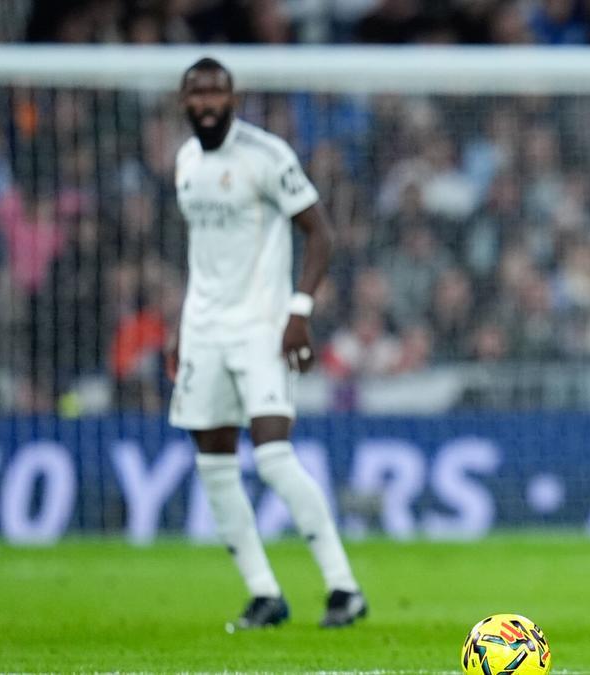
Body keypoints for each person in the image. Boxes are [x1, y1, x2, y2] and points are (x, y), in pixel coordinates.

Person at [167, 57, 366, 630]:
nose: (205, 103)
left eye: (215, 92)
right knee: (214, 464)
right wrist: (183, 326)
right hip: (204, 329)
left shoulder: (266, 154)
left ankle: (343, 587)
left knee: (275, 458)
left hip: (261, 325)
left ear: (233, 97)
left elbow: (320, 230)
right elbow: (205, 254)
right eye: (195, 94)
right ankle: (264, 594)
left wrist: (298, 311)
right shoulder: (184, 162)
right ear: (184, 102)